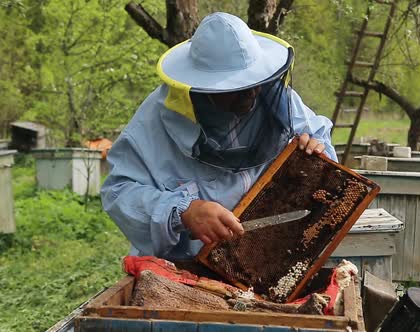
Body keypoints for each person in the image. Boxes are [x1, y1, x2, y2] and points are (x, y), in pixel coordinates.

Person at [101, 12, 337, 262]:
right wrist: (183, 211)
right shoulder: (153, 122)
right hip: (183, 271)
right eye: (239, 87)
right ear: (202, 88)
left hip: (271, 257)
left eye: (257, 80)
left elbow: (318, 136)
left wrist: (317, 154)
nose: (253, 92)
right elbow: (118, 192)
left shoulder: (277, 100)